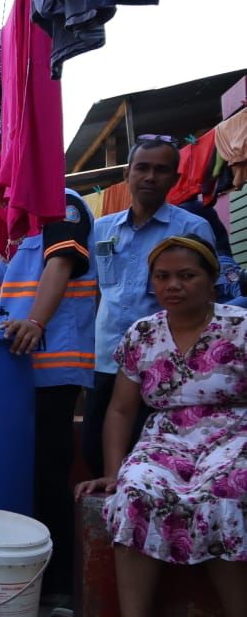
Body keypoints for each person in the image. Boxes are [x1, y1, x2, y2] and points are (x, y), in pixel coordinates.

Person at [75, 236, 247, 617]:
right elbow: (120, 410)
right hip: (166, 437)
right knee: (135, 494)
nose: (174, 285)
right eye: (163, 276)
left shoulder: (240, 327)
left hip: (233, 433)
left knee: (224, 495)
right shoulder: (142, 334)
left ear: (211, 280)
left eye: (187, 276)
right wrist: (114, 472)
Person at [0, 121, 97, 613]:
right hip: (6, 371)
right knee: (10, 471)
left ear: (21, 159)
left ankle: (59, 588)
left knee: (49, 472)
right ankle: (9, 577)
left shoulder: (61, 204)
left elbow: (59, 265)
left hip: (53, 366)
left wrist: (35, 321)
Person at [85, 136, 213, 475]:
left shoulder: (192, 228)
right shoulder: (100, 229)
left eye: (161, 170)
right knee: (95, 452)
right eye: (142, 168)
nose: (150, 177)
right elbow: (92, 292)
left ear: (175, 178)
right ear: (127, 173)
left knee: (157, 459)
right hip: (105, 359)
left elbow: (206, 297)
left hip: (165, 366)